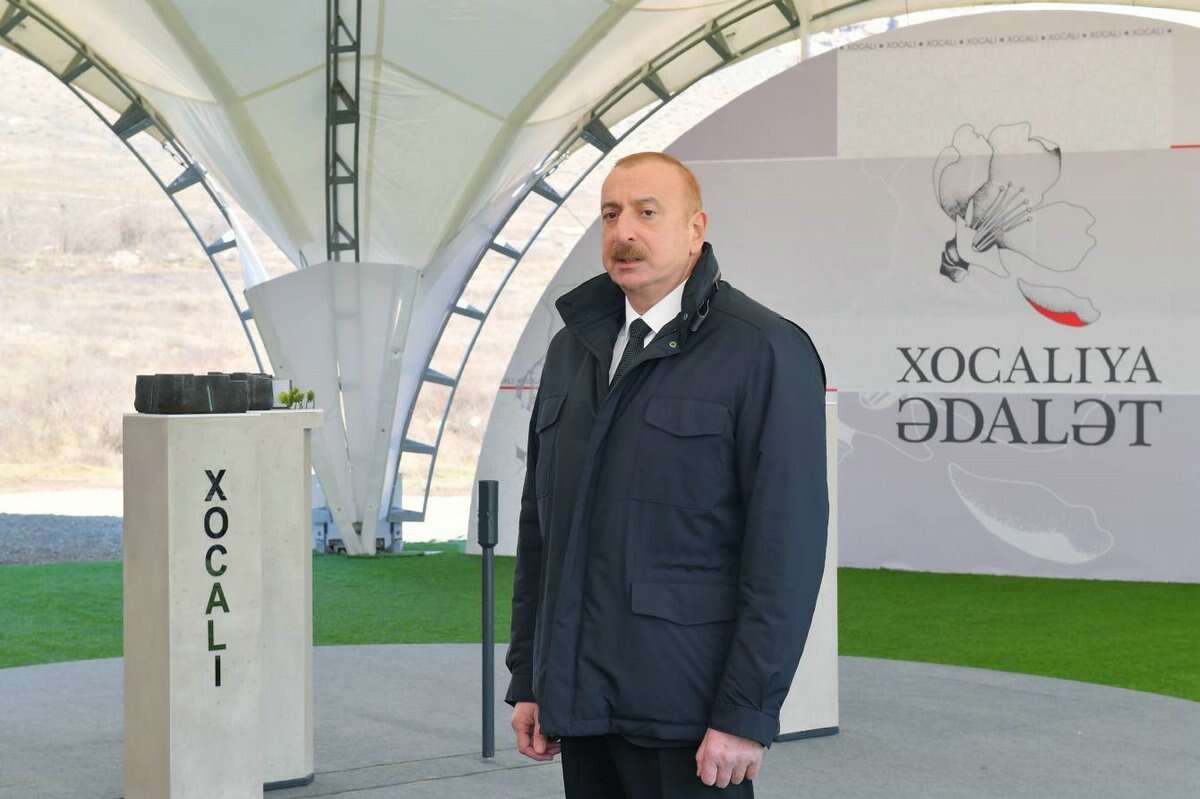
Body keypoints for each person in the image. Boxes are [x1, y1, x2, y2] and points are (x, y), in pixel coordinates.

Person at [505, 151, 829, 797]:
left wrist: (745, 712)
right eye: (611, 214)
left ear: (695, 228)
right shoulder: (572, 349)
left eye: (647, 213)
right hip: (582, 707)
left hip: (690, 715)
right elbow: (542, 529)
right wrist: (532, 679)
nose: (624, 231)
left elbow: (785, 551)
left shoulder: (763, 349)